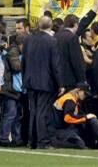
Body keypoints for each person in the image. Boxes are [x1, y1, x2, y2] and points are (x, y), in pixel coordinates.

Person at [22, 16, 64, 149]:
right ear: (51, 26)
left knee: (33, 111)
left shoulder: (28, 39)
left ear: (38, 25)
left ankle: (32, 141)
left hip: (30, 81)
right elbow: (55, 65)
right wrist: (60, 84)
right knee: (42, 112)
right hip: (45, 82)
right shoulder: (52, 41)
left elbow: (24, 61)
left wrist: (25, 79)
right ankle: (43, 142)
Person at [52, 83, 98, 149]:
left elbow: (77, 114)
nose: (85, 96)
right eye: (85, 93)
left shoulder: (74, 99)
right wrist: (85, 117)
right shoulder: (69, 100)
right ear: (78, 90)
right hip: (59, 130)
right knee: (79, 144)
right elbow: (68, 118)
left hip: (64, 129)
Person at [0, 34, 25, 147]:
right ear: (21, 44)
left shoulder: (14, 51)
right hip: (10, 89)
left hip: (12, 88)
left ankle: (16, 138)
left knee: (16, 114)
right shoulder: (13, 52)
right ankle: (4, 138)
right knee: (11, 114)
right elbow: (16, 67)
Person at [55, 14, 86, 90]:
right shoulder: (72, 38)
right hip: (70, 80)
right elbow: (76, 60)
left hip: (57, 80)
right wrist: (82, 80)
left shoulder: (55, 36)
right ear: (75, 24)